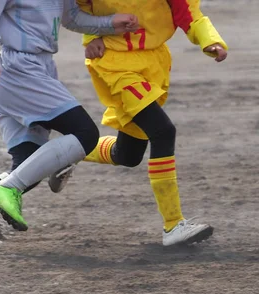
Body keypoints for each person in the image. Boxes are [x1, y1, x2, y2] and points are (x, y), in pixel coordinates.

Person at [0, 0, 140, 257]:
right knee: (85, 134)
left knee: (26, 167)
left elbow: (71, 17)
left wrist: (108, 24)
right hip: (18, 70)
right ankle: (11, 186)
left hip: (40, 68)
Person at [72, 0, 228, 246]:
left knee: (128, 155)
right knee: (163, 132)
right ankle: (173, 225)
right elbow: (79, 6)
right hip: (114, 61)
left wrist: (210, 40)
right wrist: (91, 36)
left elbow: (188, 13)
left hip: (151, 64)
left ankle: (67, 153)